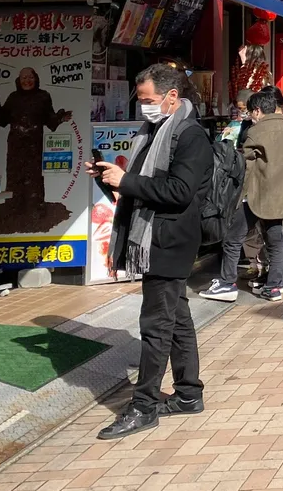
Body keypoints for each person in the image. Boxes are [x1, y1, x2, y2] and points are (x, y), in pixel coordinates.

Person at [89, 64, 211, 440]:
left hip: (169, 240)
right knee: (177, 318)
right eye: (141, 100)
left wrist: (127, 180)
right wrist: (112, 179)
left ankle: (143, 406)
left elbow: (178, 191)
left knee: (156, 325)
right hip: (156, 237)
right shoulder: (153, 132)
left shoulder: (190, 136)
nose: (143, 107)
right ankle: (189, 394)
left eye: (148, 100)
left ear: (172, 97)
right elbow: (143, 188)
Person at [202, 89, 283, 306]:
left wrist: (238, 193)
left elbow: (246, 166)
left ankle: (227, 283)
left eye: (250, 111)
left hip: (254, 196)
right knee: (275, 241)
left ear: (257, 110)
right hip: (279, 194)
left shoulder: (256, 132)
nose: (249, 115)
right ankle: (274, 286)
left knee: (233, 238)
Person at [0, 67, 73, 233]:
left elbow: (50, 121)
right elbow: (2, 120)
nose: (27, 80)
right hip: (15, 145)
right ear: (18, 81)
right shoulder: (13, 97)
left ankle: (35, 212)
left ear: (36, 78)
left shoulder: (43, 96)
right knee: (14, 176)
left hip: (34, 145)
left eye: (30, 77)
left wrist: (61, 117)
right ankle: (15, 209)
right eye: (23, 77)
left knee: (34, 177)